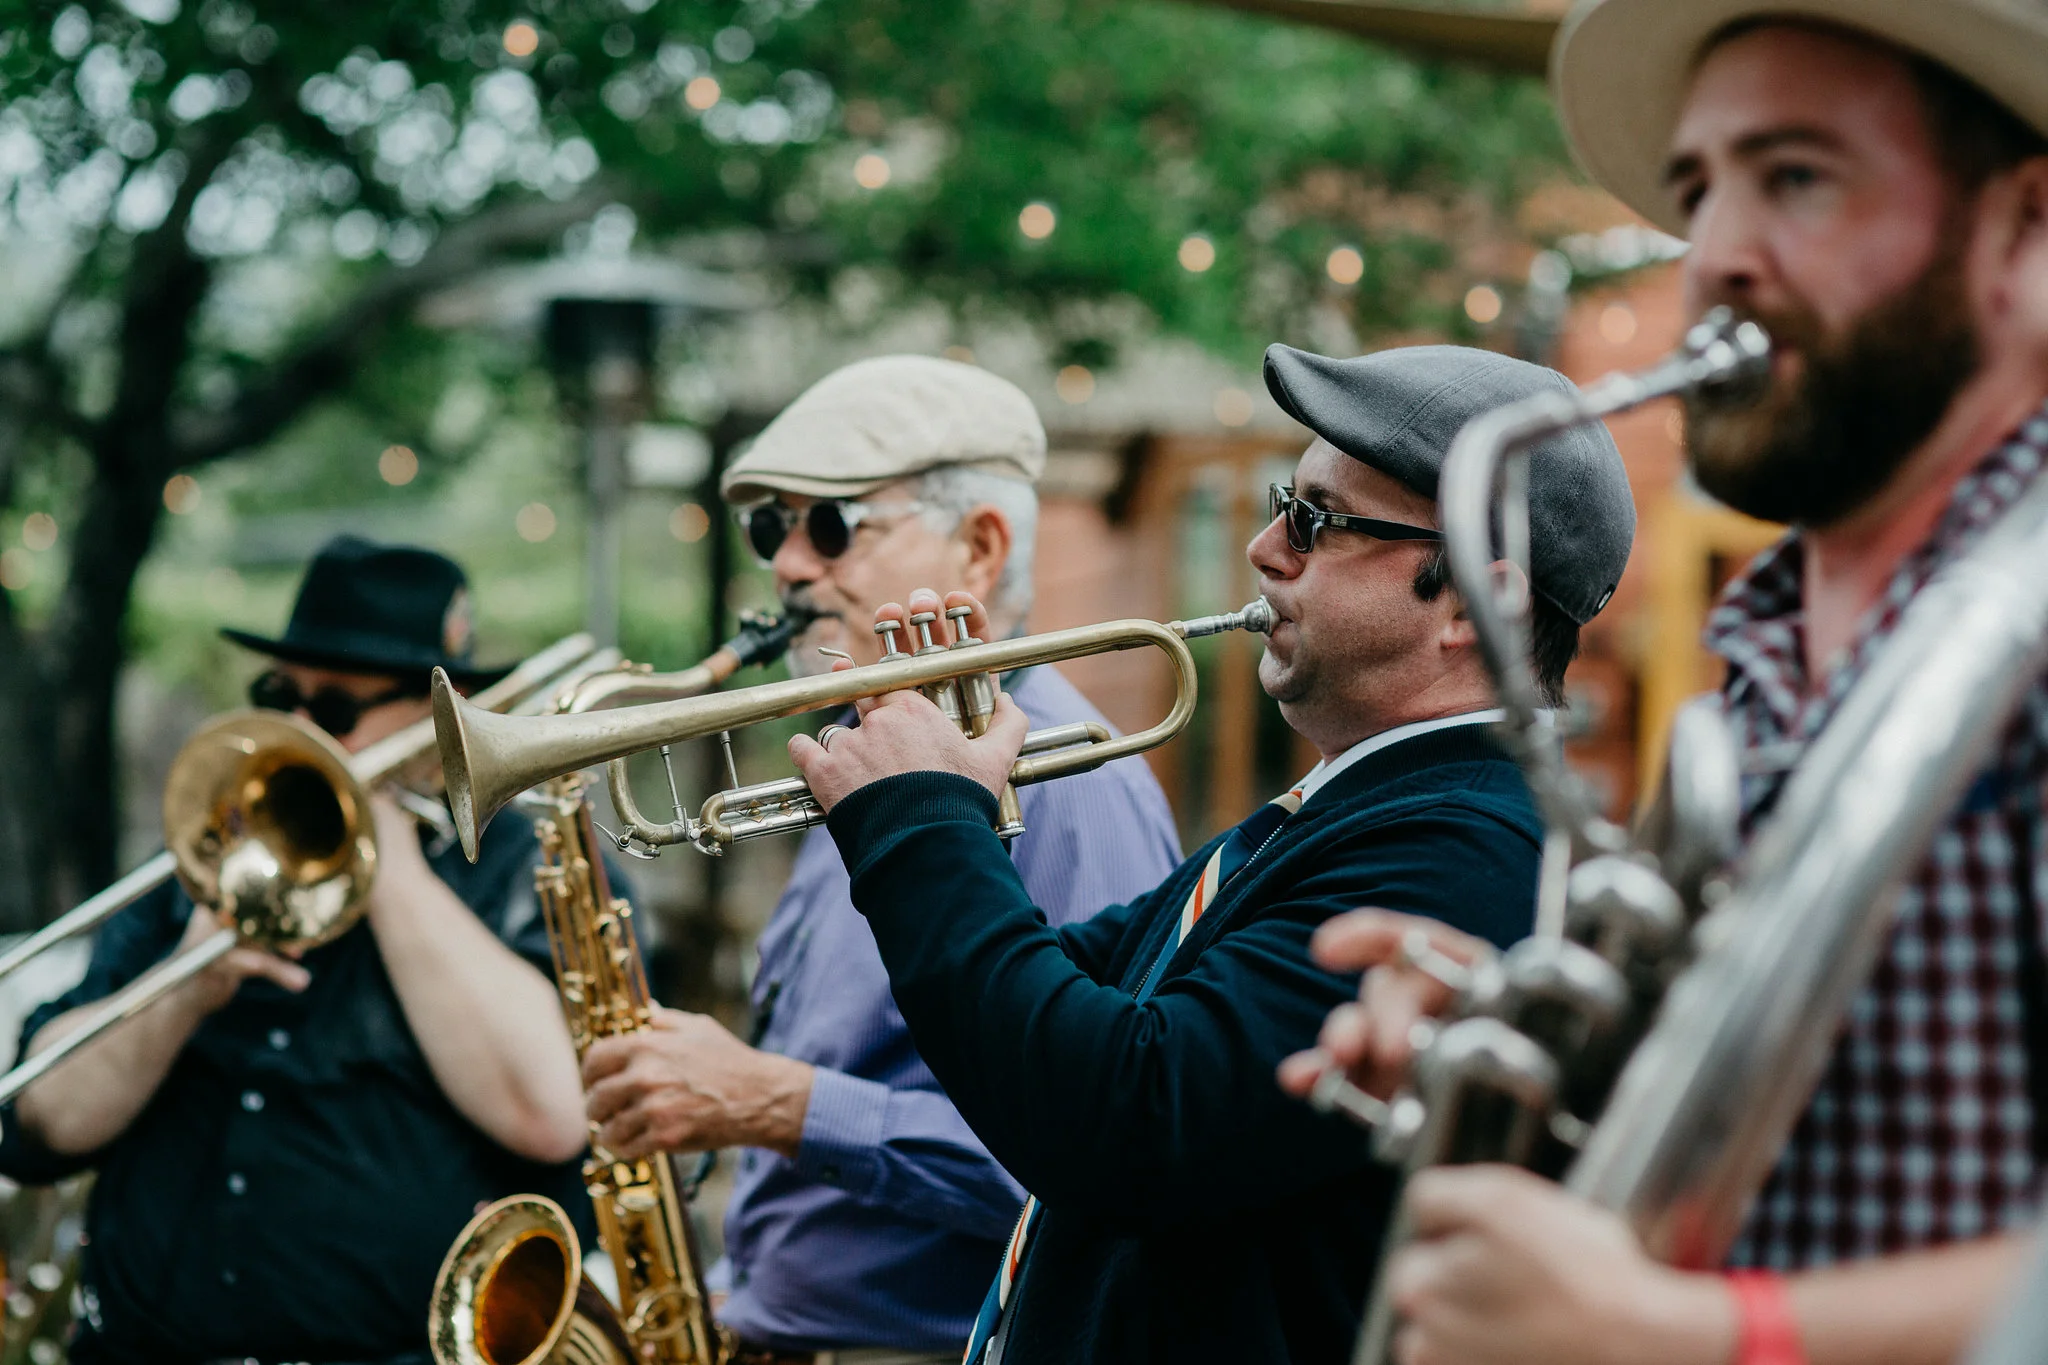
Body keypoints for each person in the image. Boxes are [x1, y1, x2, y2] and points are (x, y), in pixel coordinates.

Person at [1281, 7, 2048, 1364]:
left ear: (2023, 234)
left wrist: (1705, 1335)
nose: (1719, 260)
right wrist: (1538, 1046)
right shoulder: (1769, 653)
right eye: (1702, 190)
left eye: (1797, 176)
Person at [777, 344, 1635, 1363]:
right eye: (1284, 503)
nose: (1265, 549)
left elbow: (1129, 1120)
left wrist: (921, 821)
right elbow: (1059, 1007)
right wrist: (955, 788)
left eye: (1317, 522)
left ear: (1469, 605)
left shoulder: (1465, 846)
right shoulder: (1349, 810)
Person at [577, 355, 1184, 1365]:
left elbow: (1093, 1157)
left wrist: (770, 1102)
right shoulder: (868, 757)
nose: (787, 567)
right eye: (773, 531)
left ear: (979, 549)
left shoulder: (1070, 783)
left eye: (831, 526)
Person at [0, 536, 592, 1365]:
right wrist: (183, 985)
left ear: (439, 715)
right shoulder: (205, 857)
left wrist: (389, 872)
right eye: (283, 695)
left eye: (337, 709)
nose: (302, 726)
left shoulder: (514, 865)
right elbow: (37, 1124)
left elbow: (553, 1113)